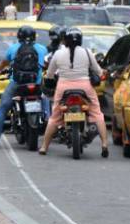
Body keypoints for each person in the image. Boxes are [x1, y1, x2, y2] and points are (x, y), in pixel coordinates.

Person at [39, 28, 109, 157]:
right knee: (97, 114)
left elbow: (49, 74)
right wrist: (102, 73)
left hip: (63, 87)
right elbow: (98, 71)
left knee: (54, 117)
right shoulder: (87, 52)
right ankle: (104, 144)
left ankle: (44, 147)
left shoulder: (58, 54)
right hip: (85, 87)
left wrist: (50, 78)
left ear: (65, 40)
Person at [0, 26, 48, 147]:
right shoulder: (42, 49)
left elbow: (4, 63)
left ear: (19, 36)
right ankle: (49, 126)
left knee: (2, 108)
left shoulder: (13, 48)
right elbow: (46, 65)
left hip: (17, 84)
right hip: (36, 83)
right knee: (46, 102)